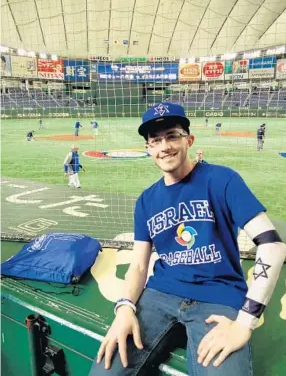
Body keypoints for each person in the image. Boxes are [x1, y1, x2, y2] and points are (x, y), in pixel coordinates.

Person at [90, 102, 286, 376]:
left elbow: (273, 246)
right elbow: (138, 266)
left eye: (172, 135)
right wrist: (124, 308)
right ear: (149, 149)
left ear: (189, 140)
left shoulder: (222, 179)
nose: (164, 147)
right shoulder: (146, 200)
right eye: (155, 140)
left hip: (218, 297)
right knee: (105, 371)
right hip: (159, 295)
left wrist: (244, 323)